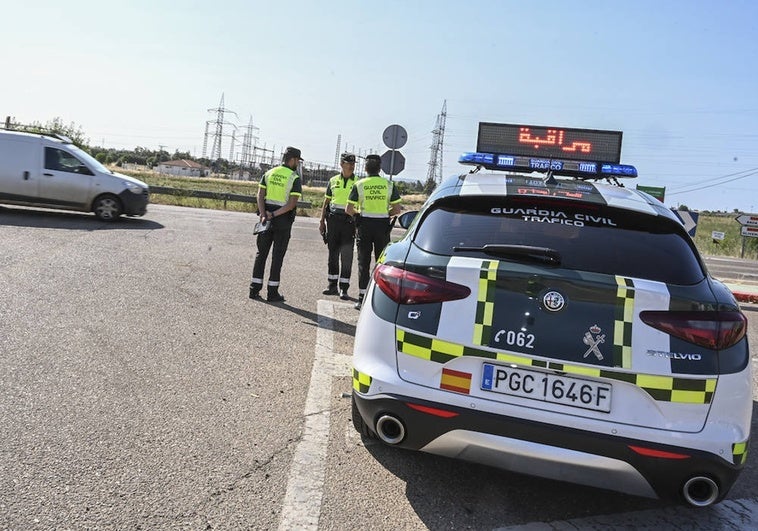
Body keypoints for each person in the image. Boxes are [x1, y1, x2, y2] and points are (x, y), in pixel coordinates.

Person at [345, 154, 402, 310]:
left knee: (363, 262)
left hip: (364, 226)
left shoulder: (359, 184)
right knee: (381, 262)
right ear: (380, 168)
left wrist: (359, 214)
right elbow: (397, 209)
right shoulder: (389, 184)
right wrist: (384, 214)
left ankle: (362, 297)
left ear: (365, 168)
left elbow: (348, 209)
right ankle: (381, 296)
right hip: (383, 227)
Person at [249, 146, 303, 302]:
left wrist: (264, 214)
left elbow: (260, 195)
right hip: (282, 220)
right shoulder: (294, 178)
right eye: (298, 160)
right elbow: (291, 204)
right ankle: (272, 293)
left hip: (265, 218)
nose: (298, 163)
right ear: (292, 160)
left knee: (261, 254)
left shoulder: (269, 173)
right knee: (277, 257)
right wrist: (274, 215)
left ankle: (254, 289)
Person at [319, 152, 357, 300]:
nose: (352, 166)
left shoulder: (358, 182)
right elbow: (326, 202)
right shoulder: (333, 180)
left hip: (349, 221)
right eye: (349, 163)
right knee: (332, 254)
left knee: (346, 256)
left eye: (353, 164)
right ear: (341, 164)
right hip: (333, 220)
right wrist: (322, 221)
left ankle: (344, 288)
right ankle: (332, 285)